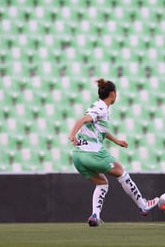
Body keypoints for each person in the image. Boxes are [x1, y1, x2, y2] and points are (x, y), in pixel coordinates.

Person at [68, 78, 159, 227]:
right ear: (113, 94)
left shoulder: (99, 107)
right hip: (92, 153)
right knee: (121, 172)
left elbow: (99, 129)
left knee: (102, 183)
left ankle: (95, 216)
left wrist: (116, 140)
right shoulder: (102, 107)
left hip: (78, 157)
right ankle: (143, 205)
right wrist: (72, 135)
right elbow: (82, 120)